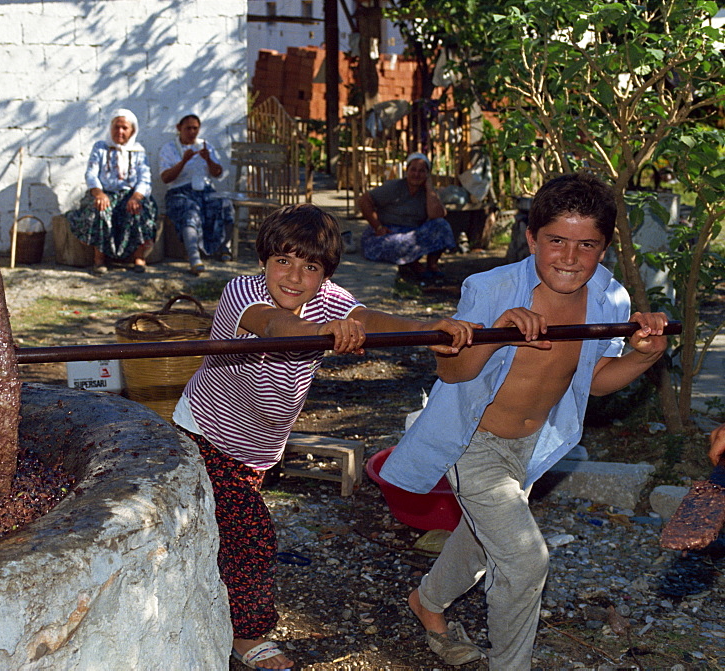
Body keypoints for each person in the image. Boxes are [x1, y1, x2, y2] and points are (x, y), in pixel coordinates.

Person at [378, 172, 669, 669]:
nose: (571, 258)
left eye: (587, 245)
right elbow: (453, 370)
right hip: (474, 442)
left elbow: (593, 379)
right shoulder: (490, 287)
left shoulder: (609, 299)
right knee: (524, 559)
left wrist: (644, 357)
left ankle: (426, 602)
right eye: (556, 241)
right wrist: (499, 334)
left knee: (477, 546)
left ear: (605, 248)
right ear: (532, 237)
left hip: (532, 448)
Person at [172, 203, 476, 670]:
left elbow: (367, 317)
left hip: (256, 450)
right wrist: (322, 332)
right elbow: (278, 327)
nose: (294, 277)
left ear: (324, 274)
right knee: (252, 535)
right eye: (283, 262)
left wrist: (424, 330)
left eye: (309, 267)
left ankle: (208, 600)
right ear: (263, 261)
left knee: (222, 530)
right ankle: (249, 636)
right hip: (206, 435)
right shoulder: (242, 293)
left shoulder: (327, 299)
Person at [66, 108, 158, 275]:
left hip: (130, 195)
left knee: (138, 210)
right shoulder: (101, 147)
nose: (120, 131)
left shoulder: (138, 151)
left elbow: (145, 179)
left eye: (124, 128)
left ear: (132, 131)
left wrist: (136, 197)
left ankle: (139, 257)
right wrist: (99, 193)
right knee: (100, 210)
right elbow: (91, 174)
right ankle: (99, 259)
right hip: (104, 192)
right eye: (116, 127)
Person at [358, 152, 456, 282]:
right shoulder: (394, 187)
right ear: (407, 171)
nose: (416, 174)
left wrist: (429, 187)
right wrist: (378, 226)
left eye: (422, 171)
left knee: (442, 226)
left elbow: (436, 215)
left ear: (427, 174)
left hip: (412, 233)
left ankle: (432, 265)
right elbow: (364, 200)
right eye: (413, 170)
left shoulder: (428, 192)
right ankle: (414, 265)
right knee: (399, 244)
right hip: (388, 233)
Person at [159, 114, 235, 276]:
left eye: (195, 128)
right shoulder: (169, 148)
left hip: (205, 191)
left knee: (226, 204)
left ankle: (224, 247)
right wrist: (183, 161)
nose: (192, 132)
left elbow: (218, 173)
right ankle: (194, 258)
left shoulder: (204, 146)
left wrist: (208, 159)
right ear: (179, 128)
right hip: (180, 192)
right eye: (188, 128)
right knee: (190, 210)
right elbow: (166, 178)